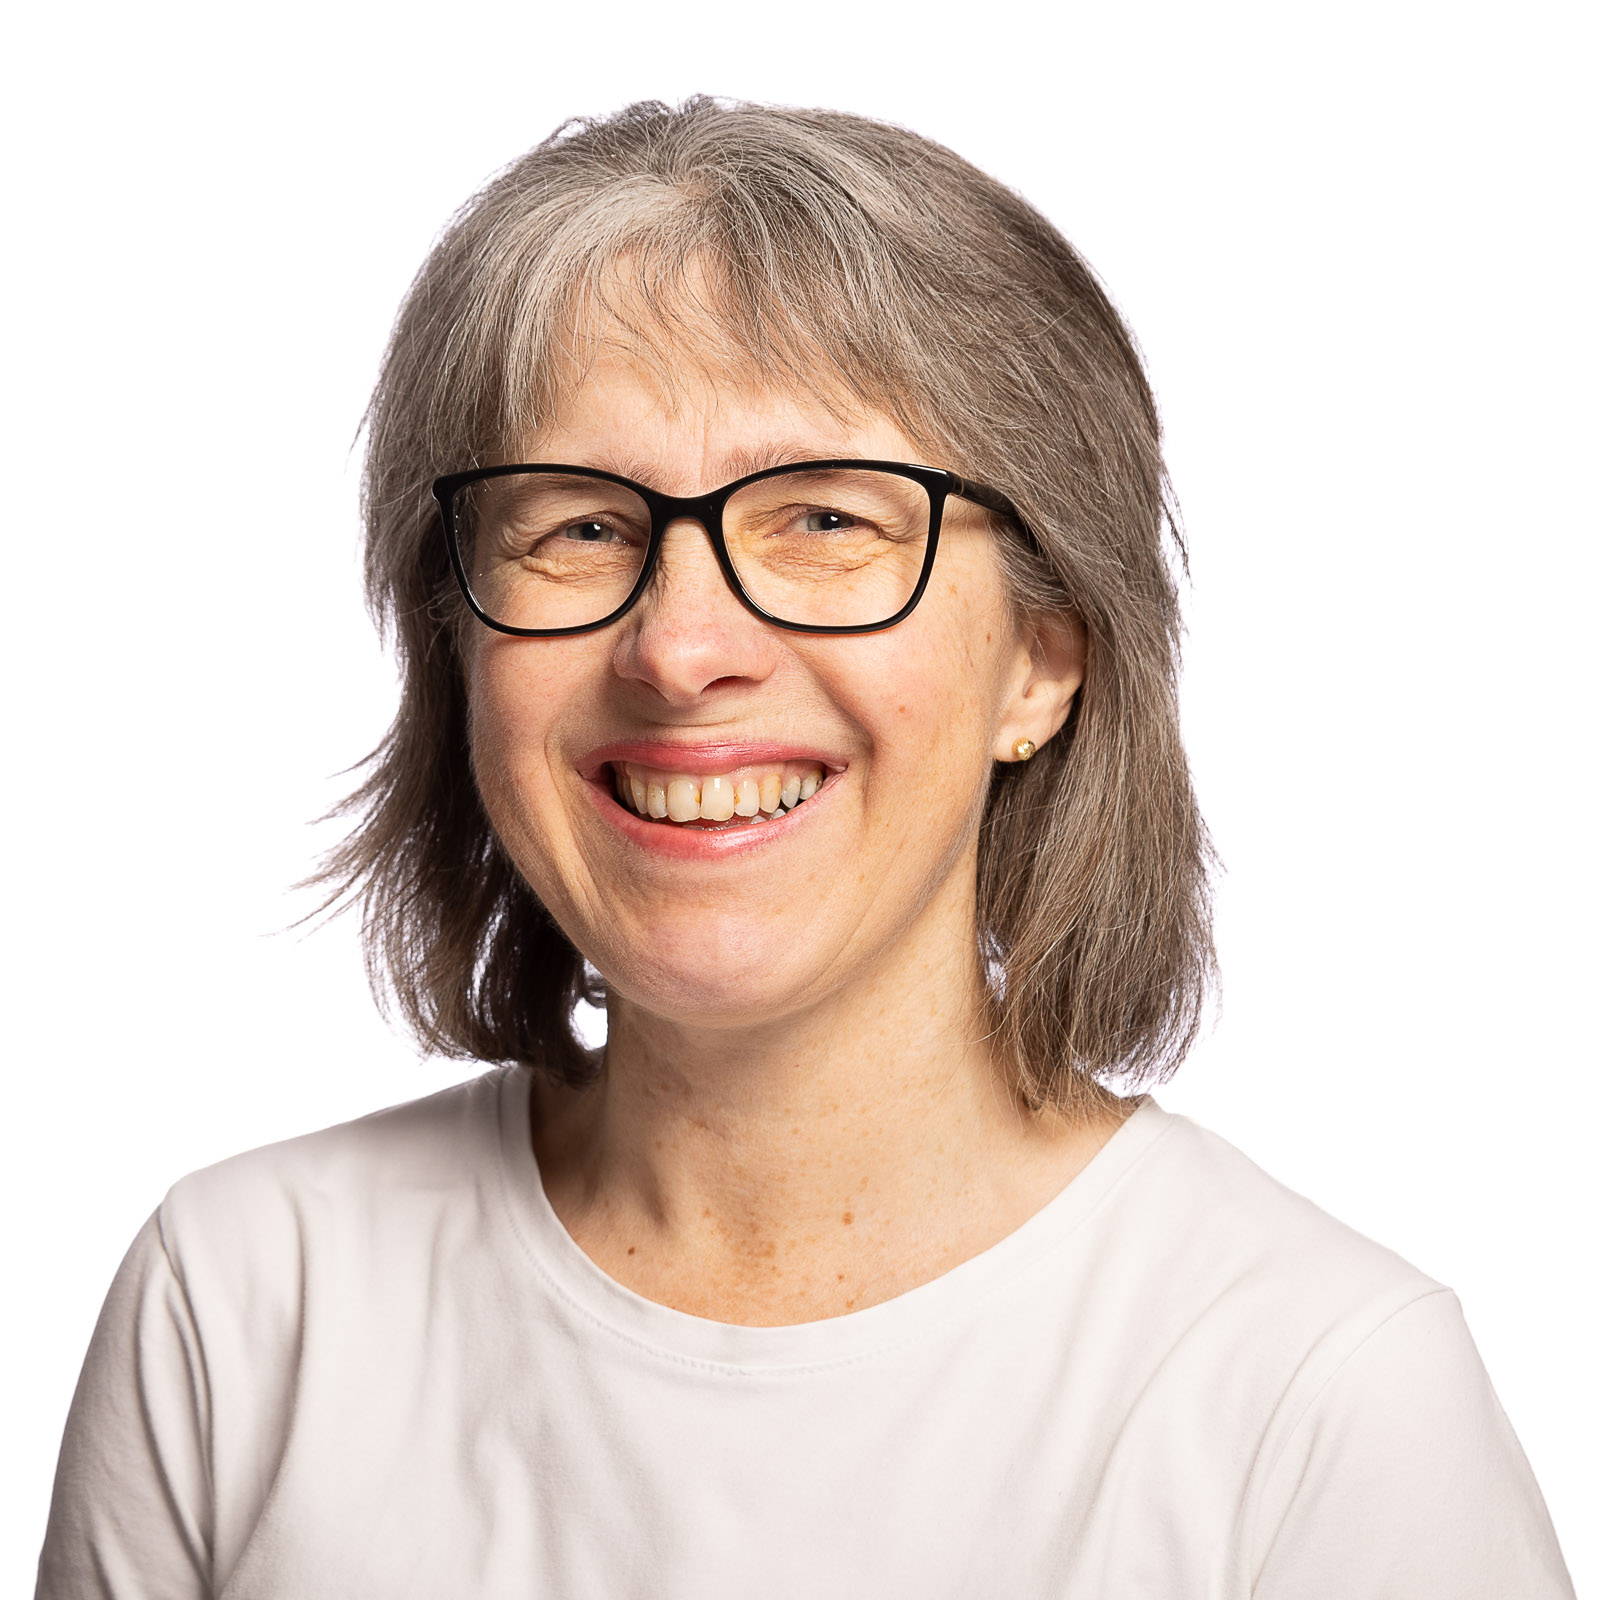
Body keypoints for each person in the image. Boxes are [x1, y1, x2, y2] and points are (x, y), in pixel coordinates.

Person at [36, 98, 1573, 1598]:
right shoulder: (240, 1313)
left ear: (1043, 658)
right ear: (459, 645)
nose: (680, 648)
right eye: (580, 527)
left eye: (827, 521)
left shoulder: (1319, 1399)